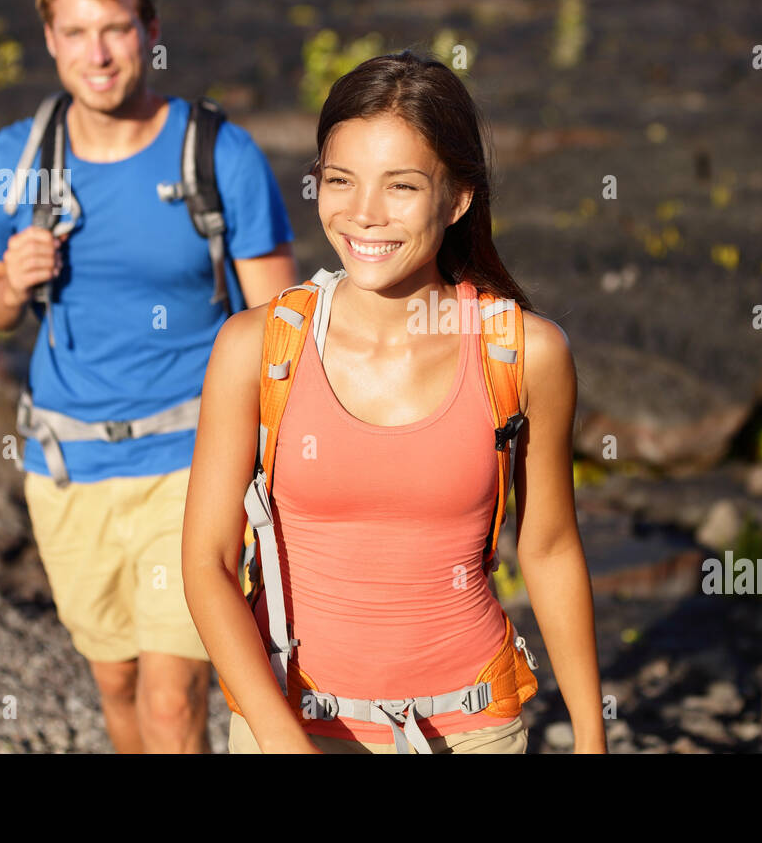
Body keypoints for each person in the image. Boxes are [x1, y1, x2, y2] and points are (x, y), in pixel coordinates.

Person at [182, 49, 605, 753]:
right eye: (340, 180)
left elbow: (552, 548)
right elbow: (207, 564)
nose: (363, 215)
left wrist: (592, 737)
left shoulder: (526, 352)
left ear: (458, 197)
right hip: (289, 725)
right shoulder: (254, 347)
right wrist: (280, 738)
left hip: (471, 730)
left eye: (401, 187)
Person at [0, 0, 299, 753]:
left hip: (192, 461)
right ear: (50, 40)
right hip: (66, 466)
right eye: (76, 33)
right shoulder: (24, 155)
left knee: (174, 695)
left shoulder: (219, 153)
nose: (97, 54)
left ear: (149, 29)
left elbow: (278, 328)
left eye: (114, 28)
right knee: (114, 681)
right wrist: (10, 282)